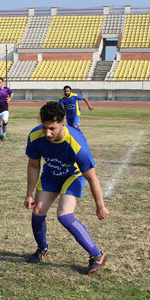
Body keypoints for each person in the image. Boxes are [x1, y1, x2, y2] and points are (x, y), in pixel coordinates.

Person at [24, 102, 109, 275]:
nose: (47, 133)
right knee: (38, 211)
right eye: (45, 127)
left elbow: (92, 178)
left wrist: (100, 205)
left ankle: (97, 255)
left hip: (73, 175)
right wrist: (29, 194)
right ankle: (42, 249)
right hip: (51, 174)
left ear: (63, 123)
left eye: (52, 129)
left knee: (64, 215)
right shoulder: (35, 137)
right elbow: (33, 166)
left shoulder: (77, 144)